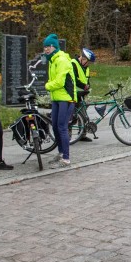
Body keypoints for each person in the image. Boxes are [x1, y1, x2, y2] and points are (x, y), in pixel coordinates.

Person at [43, 34, 76, 168]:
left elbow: (60, 82)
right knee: (55, 126)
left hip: (66, 98)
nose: (45, 49)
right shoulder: (52, 60)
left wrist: (46, 86)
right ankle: (61, 153)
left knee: (62, 127)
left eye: (48, 47)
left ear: (54, 47)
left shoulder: (61, 60)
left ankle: (66, 158)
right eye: (44, 47)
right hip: (57, 98)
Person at [72, 47, 97, 142]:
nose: (89, 64)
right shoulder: (73, 64)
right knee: (72, 115)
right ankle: (68, 136)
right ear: (84, 58)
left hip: (82, 93)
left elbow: (87, 79)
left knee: (83, 114)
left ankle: (82, 135)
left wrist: (88, 86)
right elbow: (74, 79)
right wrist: (84, 86)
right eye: (89, 62)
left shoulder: (86, 67)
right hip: (74, 92)